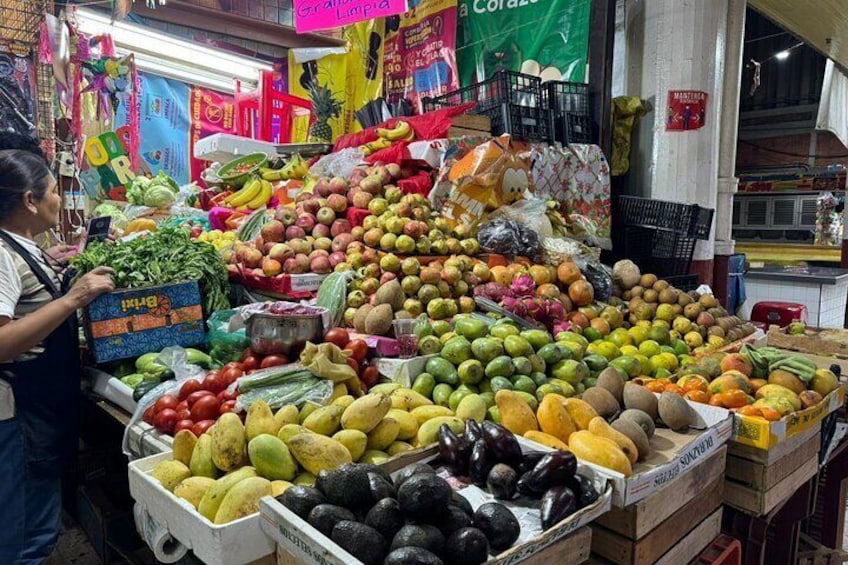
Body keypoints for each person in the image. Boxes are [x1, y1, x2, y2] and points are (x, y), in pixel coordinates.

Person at [0, 149, 115, 564]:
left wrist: (58, 267)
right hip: (20, 414)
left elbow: (27, 298)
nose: (59, 199)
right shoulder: (1, 254)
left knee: (39, 521)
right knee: (25, 534)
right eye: (52, 190)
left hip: (40, 407)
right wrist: (75, 297)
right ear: (30, 200)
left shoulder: (21, 244)